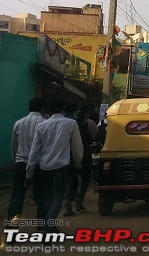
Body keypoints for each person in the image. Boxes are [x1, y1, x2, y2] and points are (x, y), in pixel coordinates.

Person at [25, 96, 83, 233]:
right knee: (58, 197)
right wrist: (78, 163)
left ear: (48, 109)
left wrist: (29, 172)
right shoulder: (70, 123)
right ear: (63, 108)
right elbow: (77, 147)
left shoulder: (41, 125)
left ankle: (49, 226)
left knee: (48, 198)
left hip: (45, 166)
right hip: (61, 166)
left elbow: (34, 151)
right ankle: (48, 227)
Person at [6, 97, 46, 226]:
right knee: (40, 194)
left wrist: (16, 160)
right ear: (43, 108)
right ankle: (41, 224)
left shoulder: (18, 123)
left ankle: (12, 225)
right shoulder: (45, 123)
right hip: (39, 164)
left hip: (21, 163)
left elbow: (14, 145)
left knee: (17, 194)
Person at [72, 105, 98, 212]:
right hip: (85, 154)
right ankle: (79, 201)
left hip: (72, 154)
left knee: (71, 179)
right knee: (85, 179)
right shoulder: (90, 123)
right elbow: (95, 137)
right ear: (86, 113)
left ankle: (68, 202)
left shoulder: (72, 123)